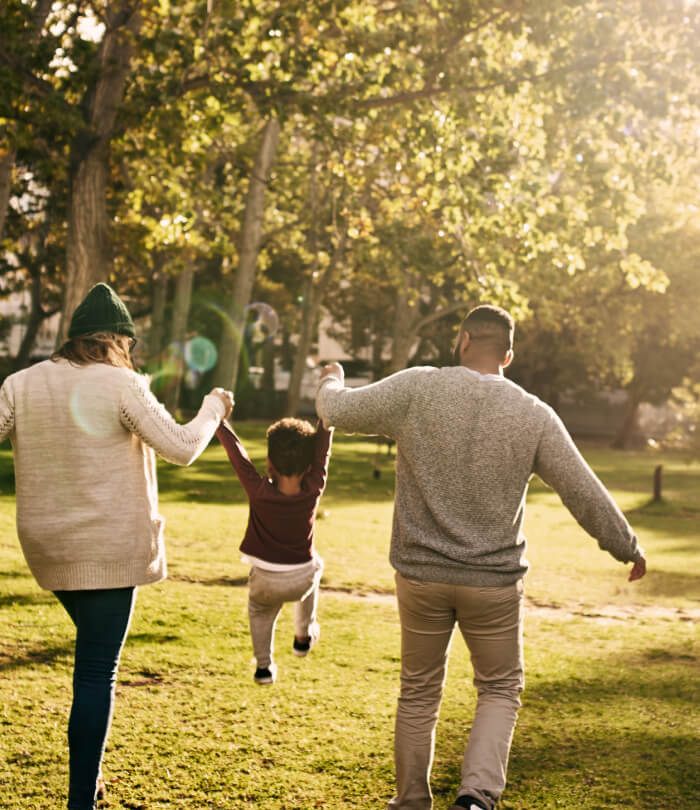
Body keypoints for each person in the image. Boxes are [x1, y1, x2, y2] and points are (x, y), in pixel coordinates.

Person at [315, 304, 646, 810]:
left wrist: (332, 380)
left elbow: (336, 412)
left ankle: (410, 802)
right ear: (508, 355)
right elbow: (582, 490)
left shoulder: (419, 386)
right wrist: (626, 544)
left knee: (419, 692)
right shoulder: (534, 414)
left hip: (421, 576)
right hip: (492, 583)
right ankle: (476, 798)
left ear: (464, 340)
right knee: (499, 689)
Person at [0, 282, 234, 810]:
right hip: (105, 546)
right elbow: (180, 447)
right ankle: (82, 798)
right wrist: (213, 407)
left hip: (46, 545)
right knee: (96, 670)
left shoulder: (20, 382)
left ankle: (93, 783)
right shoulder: (122, 383)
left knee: (93, 649)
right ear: (115, 341)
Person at [216, 415, 332, 684]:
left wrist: (220, 421)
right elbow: (323, 448)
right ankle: (303, 636)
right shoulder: (314, 487)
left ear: (269, 464)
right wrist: (326, 413)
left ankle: (264, 668)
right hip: (302, 579)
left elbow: (237, 454)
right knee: (316, 566)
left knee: (259, 612)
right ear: (308, 466)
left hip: (265, 582)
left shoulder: (258, 491)